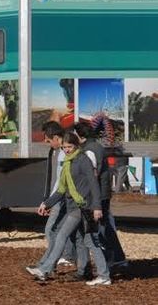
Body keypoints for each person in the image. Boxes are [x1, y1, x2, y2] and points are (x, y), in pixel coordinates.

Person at [27, 132, 110, 286]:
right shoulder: (67, 163)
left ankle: (45, 269)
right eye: (64, 147)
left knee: (61, 235)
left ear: (76, 146)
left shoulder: (82, 160)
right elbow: (61, 190)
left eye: (70, 147)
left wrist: (97, 207)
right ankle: (98, 274)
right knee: (88, 241)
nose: (67, 150)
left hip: (82, 207)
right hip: (75, 206)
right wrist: (47, 203)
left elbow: (93, 184)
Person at [74, 121, 127, 268]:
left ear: (80, 135)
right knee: (105, 227)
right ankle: (117, 258)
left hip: (97, 194)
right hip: (103, 192)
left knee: (101, 230)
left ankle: (111, 260)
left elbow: (92, 175)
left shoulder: (89, 150)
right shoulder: (97, 146)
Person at [30, 121, 75, 269]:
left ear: (56, 137)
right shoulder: (56, 152)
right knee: (61, 229)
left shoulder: (63, 153)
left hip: (59, 197)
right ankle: (61, 258)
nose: (46, 142)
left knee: (52, 229)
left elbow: (60, 181)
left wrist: (50, 200)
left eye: (48, 140)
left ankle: (54, 260)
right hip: (58, 196)